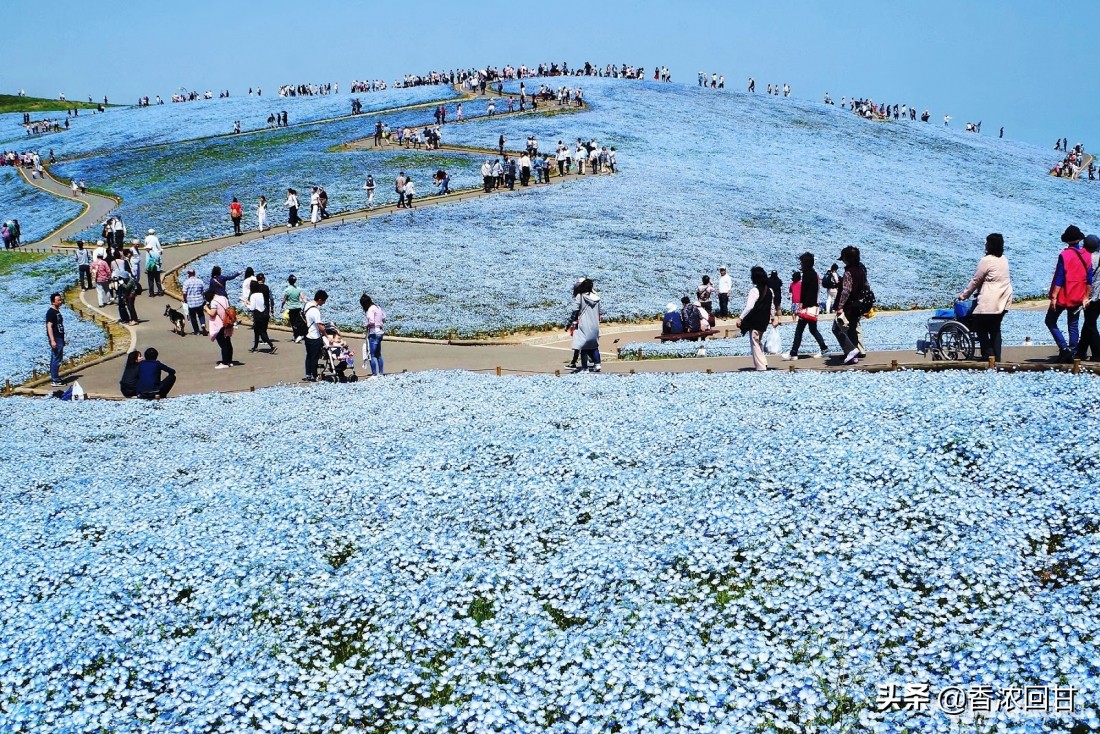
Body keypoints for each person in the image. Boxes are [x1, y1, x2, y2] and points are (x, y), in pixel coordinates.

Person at [958, 233, 1013, 363]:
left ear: (990, 245)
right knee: (995, 328)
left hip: (990, 299)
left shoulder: (986, 261)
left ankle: (988, 355)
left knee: (979, 325)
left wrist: (963, 295)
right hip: (1004, 298)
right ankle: (996, 359)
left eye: (987, 243)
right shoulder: (1004, 259)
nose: (985, 245)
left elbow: (976, 280)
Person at [1046, 225, 1093, 362]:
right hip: (1078, 294)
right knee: (1073, 324)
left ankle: (1064, 348)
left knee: (1050, 321)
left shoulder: (1064, 255)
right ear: (1079, 240)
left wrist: (1054, 297)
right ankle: (1073, 352)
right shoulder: (1087, 255)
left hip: (1063, 294)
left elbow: (1060, 278)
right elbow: (1089, 279)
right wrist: (1086, 297)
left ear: (1067, 241)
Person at [785, 253, 830, 360]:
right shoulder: (814, 274)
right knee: (813, 330)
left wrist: (801, 306)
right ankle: (824, 349)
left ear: (805, 263)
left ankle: (793, 353)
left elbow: (804, 292)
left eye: (801, 262)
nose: (800, 264)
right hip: (813, 305)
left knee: (799, 330)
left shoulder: (806, 274)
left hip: (807, 307)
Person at [833, 246, 869, 365]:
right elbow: (865, 287)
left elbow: (846, 291)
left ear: (846, 259)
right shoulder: (861, 271)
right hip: (858, 304)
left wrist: (840, 306)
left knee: (837, 328)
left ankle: (852, 351)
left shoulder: (849, 272)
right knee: (852, 330)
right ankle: (853, 356)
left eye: (843, 258)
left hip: (849, 305)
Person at [735, 267, 776, 371]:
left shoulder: (754, 290)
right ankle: (764, 362)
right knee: (758, 340)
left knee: (755, 342)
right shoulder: (770, 290)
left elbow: (749, 307)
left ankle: (761, 367)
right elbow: (772, 306)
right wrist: (773, 317)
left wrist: (740, 317)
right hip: (764, 320)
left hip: (755, 320)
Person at [568, 278, 602, 371]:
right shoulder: (596, 297)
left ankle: (584, 368)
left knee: (582, 346)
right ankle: (597, 364)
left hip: (584, 324)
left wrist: (570, 322)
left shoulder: (580, 296)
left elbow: (575, 310)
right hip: (595, 325)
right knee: (594, 346)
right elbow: (599, 312)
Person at [1077, 235, 1100, 361]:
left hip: (1091, 297)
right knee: (1088, 324)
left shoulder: (1087, 258)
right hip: (1099, 295)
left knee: (1090, 324)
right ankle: (1081, 351)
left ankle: (1097, 353)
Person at [302, 289, 330, 381]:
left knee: (309, 356)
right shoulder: (316, 311)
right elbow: (320, 326)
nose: (324, 303)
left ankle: (308, 375)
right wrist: (326, 335)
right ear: (320, 299)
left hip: (307, 334)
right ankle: (314, 375)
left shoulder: (307, 305)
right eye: (324, 300)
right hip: (314, 336)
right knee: (314, 357)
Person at [205, 288, 235, 368]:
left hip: (220, 324)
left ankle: (224, 363)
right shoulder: (224, 298)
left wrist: (206, 308)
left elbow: (212, 313)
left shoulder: (214, 302)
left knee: (223, 344)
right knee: (228, 341)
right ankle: (229, 361)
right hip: (228, 322)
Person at [248, 278, 277, 353]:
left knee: (261, 332)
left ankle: (272, 346)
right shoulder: (260, 294)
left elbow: (252, 308)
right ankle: (255, 347)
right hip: (264, 312)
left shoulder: (253, 295)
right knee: (257, 330)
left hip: (258, 315)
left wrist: (246, 304)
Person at [361, 293, 386, 377]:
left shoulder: (370, 309)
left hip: (373, 333)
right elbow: (384, 318)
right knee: (378, 354)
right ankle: (381, 373)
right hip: (380, 332)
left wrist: (366, 325)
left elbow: (371, 322)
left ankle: (374, 374)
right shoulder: (378, 307)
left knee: (372, 355)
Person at [46, 292, 65, 387]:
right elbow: (49, 327)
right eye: (58, 300)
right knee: (56, 358)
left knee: (56, 357)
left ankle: (55, 377)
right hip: (56, 338)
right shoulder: (51, 313)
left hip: (59, 337)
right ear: (53, 302)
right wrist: (52, 340)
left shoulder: (57, 311)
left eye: (60, 299)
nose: (60, 302)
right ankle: (55, 379)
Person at [181, 268, 208, 335]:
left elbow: (184, 293)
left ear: (189, 274)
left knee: (193, 316)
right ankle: (203, 324)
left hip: (191, 302)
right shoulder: (200, 281)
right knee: (201, 314)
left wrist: (185, 299)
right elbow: (204, 291)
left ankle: (197, 331)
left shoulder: (186, 282)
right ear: (194, 273)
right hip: (199, 301)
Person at [282, 274, 307, 342]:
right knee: (299, 321)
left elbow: (284, 300)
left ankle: (296, 336)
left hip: (291, 309)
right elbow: (303, 297)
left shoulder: (287, 290)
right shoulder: (298, 289)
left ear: (288, 281)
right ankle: (301, 334)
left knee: (293, 323)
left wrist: (281, 307)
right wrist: (307, 303)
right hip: (298, 308)